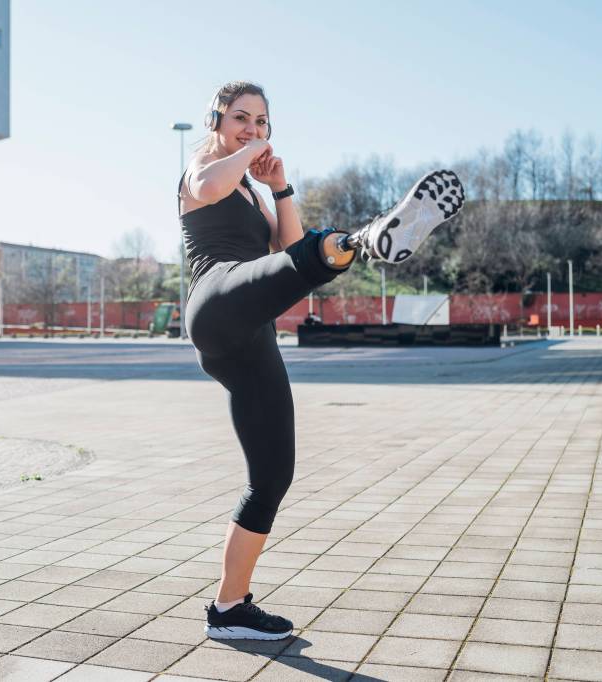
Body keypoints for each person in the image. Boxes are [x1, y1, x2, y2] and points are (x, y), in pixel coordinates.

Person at [178, 81, 464, 640]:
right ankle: (362, 240)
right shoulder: (203, 164)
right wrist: (241, 153)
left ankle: (229, 609)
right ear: (215, 119)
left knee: (273, 474)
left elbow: (288, 254)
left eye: (262, 123)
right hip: (215, 298)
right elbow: (210, 183)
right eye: (241, 118)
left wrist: (280, 187)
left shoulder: (256, 190)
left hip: (251, 329)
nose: (253, 130)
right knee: (315, 253)